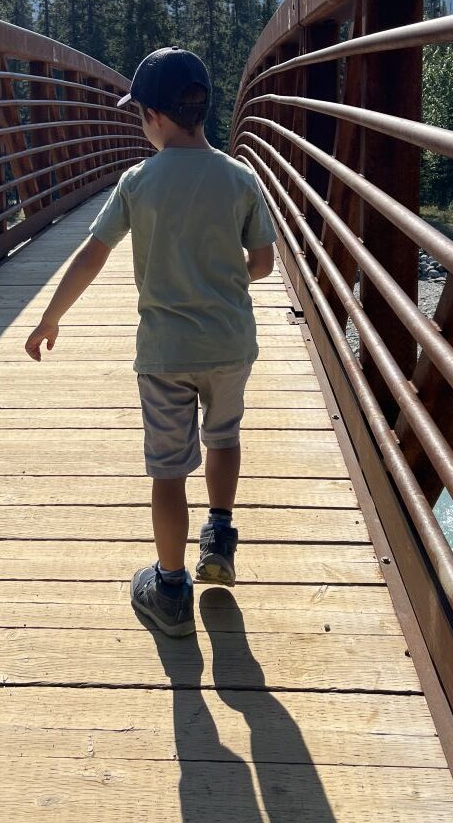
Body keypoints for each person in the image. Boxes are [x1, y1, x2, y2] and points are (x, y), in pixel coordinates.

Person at [24, 46, 277, 637]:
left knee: (168, 471)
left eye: (138, 115)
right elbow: (262, 263)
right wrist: (227, 270)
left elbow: (93, 253)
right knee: (225, 436)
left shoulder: (137, 182)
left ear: (155, 117)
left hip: (164, 354)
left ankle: (168, 587)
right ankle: (220, 532)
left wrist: (51, 317)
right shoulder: (241, 177)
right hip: (230, 345)